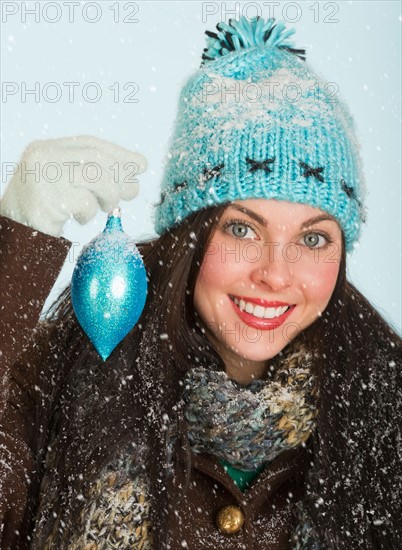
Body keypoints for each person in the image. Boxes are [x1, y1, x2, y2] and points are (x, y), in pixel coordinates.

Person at [0, 16, 401, 550]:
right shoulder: (67, 374)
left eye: (313, 239)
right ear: (189, 236)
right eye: (242, 228)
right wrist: (14, 257)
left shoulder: (386, 411)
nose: (275, 274)